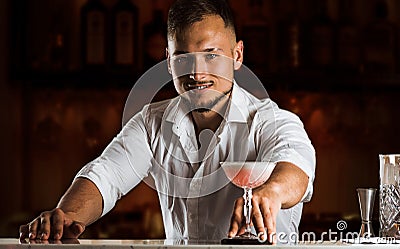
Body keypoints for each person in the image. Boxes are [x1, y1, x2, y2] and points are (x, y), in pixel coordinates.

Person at [19, 0, 315, 244]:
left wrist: (271, 193)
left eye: (211, 56)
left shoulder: (272, 120)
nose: (197, 73)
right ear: (169, 61)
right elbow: (105, 176)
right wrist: (64, 217)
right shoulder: (152, 122)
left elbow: (296, 168)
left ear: (237, 55)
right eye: (184, 58)